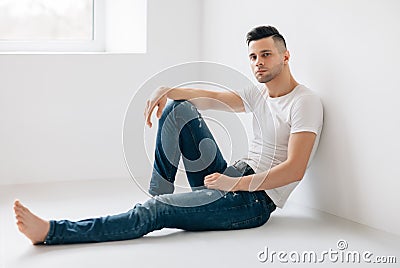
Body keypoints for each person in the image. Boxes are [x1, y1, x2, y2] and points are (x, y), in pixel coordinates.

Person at [14, 25, 323, 245]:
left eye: (266, 54)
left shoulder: (303, 101)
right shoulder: (259, 94)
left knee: (157, 212)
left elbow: (295, 169)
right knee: (178, 108)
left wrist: (234, 184)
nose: (258, 63)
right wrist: (168, 90)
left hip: (253, 200)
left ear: (285, 56)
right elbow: (208, 96)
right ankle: (157, 196)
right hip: (233, 176)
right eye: (253, 57)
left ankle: (53, 232)